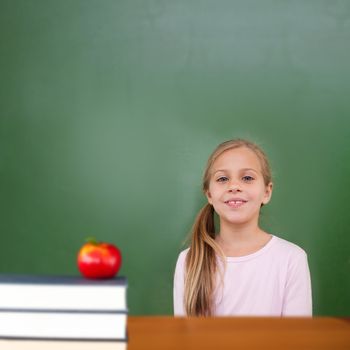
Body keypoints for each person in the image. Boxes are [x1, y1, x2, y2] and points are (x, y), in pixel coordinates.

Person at [173, 139, 312, 317]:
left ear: (267, 192)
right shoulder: (189, 261)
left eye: (247, 178)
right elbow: (185, 341)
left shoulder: (291, 259)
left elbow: (298, 340)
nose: (234, 186)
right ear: (209, 194)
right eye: (223, 179)